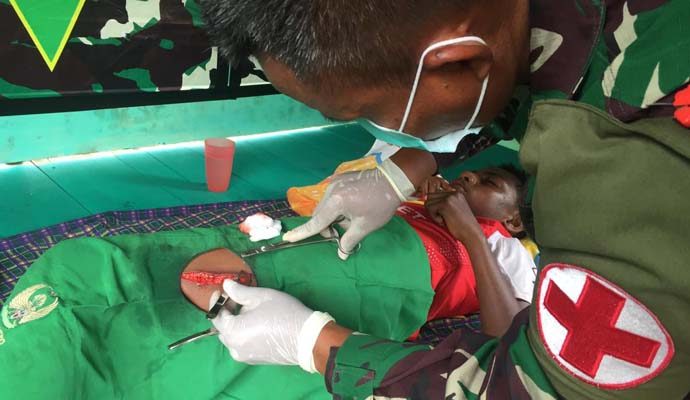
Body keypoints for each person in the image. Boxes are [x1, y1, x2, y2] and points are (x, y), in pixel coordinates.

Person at [199, 0, 690, 398]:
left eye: (364, 111)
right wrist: (402, 172)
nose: (375, 130)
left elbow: (547, 389)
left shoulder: (634, 163)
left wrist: (315, 345)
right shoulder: (516, 27)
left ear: (458, 59)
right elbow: (516, 85)